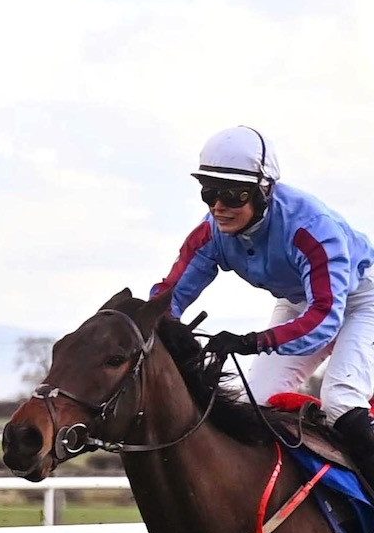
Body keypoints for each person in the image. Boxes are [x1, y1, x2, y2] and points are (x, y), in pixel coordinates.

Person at [152, 124, 374, 481]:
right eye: (209, 192)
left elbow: (324, 319)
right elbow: (170, 297)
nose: (219, 207)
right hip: (303, 302)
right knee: (253, 404)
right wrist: (144, 325)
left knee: (342, 401)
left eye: (233, 195)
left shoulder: (311, 229)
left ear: (264, 191)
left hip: (363, 302)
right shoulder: (211, 233)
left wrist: (251, 342)